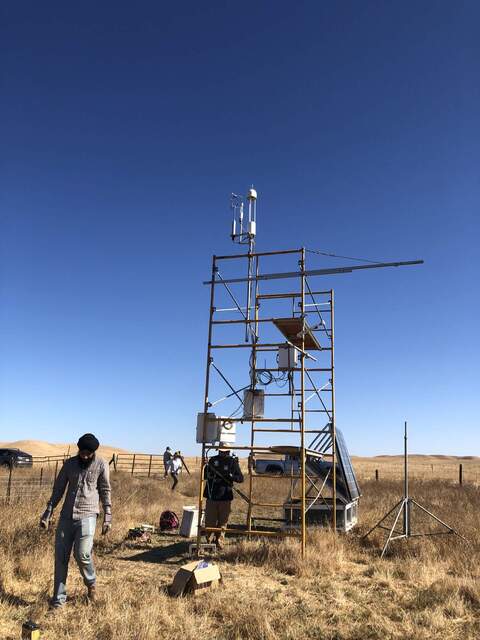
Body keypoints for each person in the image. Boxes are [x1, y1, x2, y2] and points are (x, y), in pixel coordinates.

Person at [40, 433, 112, 608]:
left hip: (88, 515)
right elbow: (58, 489)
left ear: (93, 452)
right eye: (82, 452)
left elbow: (105, 489)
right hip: (66, 516)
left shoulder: (101, 464)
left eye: (88, 453)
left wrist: (107, 516)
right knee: (61, 558)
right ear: (78, 449)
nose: (84, 456)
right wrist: (48, 512)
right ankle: (58, 601)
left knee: (82, 554)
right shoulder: (69, 464)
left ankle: (91, 584)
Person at [203, 448, 243, 549]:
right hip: (212, 495)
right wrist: (204, 466)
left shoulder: (232, 462)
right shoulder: (212, 460)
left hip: (225, 496)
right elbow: (206, 476)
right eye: (221, 450)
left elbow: (240, 478)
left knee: (223, 522)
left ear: (229, 451)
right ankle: (209, 541)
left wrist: (231, 476)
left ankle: (219, 541)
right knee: (210, 521)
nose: (223, 452)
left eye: (225, 451)